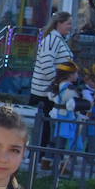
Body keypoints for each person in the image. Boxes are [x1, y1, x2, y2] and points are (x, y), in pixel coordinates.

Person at [30, 12, 74, 147]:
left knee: (47, 127)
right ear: (59, 23)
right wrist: (57, 85)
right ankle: (39, 154)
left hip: (49, 91)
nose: (71, 27)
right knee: (45, 127)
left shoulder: (57, 39)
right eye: (68, 23)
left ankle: (42, 153)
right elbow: (46, 64)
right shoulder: (52, 39)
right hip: (45, 92)